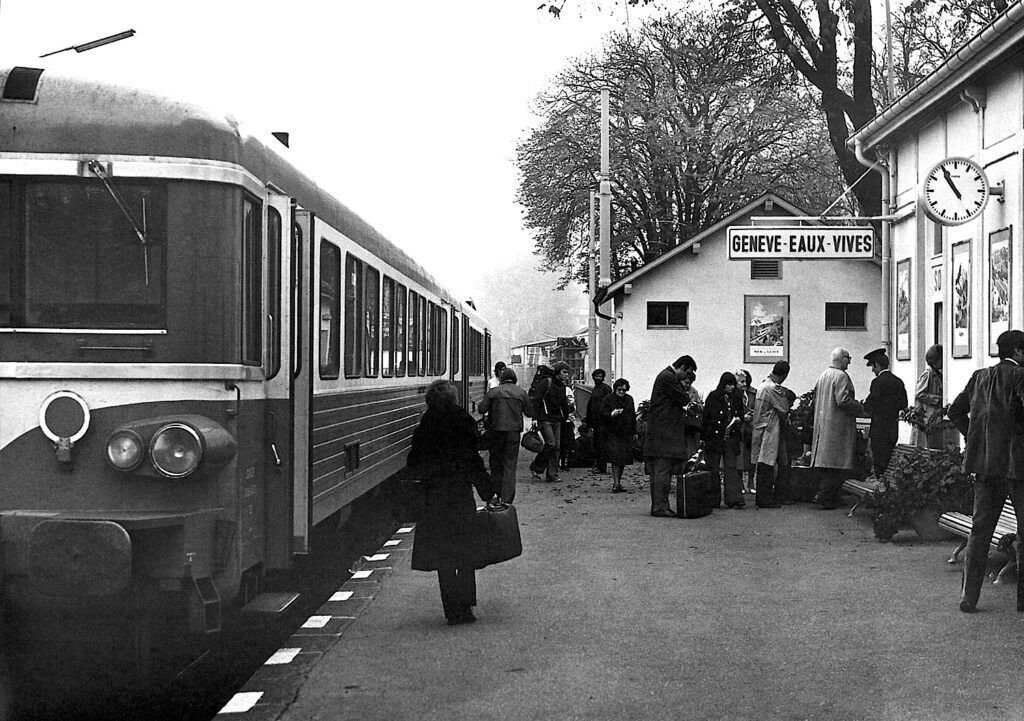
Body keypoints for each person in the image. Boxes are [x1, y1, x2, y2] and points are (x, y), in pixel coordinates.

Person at [407, 380, 497, 626]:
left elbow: (414, 462)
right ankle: (466, 607)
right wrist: (488, 492)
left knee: (443, 557)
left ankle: (451, 610)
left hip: (434, 499)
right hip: (459, 497)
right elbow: (473, 461)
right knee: (464, 553)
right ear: (454, 398)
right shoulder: (463, 421)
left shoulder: (425, 425)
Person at [947, 329, 1024, 613]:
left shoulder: (979, 376)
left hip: (984, 465)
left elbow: (955, 411)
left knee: (980, 530)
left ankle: (969, 596)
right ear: (1017, 351)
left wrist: (974, 437)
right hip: (1017, 466)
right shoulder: (1020, 377)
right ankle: (1022, 600)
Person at [809, 347, 866, 509]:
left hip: (824, 425)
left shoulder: (824, 375)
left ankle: (829, 496)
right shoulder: (841, 376)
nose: (850, 361)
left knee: (828, 465)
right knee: (837, 465)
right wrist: (859, 408)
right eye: (848, 358)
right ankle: (825, 496)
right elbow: (842, 400)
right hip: (837, 426)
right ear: (841, 359)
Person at [643, 355, 698, 517]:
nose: (687, 377)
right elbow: (683, 398)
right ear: (682, 367)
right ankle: (660, 507)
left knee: (660, 471)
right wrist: (685, 392)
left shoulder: (665, 376)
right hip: (664, 434)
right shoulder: (668, 377)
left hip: (660, 433)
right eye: (687, 373)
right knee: (663, 471)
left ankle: (660, 505)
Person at [478, 367, 532, 503]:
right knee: (509, 465)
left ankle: (496, 494)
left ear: (501, 380)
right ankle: (507, 499)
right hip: (513, 434)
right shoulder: (521, 393)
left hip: (495, 432)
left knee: (496, 464)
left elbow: (481, 409)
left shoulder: (493, 392)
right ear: (515, 379)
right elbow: (529, 412)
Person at [751, 361, 794, 509]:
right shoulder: (773, 388)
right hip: (770, 429)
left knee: (764, 463)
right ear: (784, 375)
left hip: (761, 427)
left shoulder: (763, 385)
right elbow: (784, 408)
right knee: (767, 464)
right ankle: (765, 499)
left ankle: (765, 498)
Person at [862, 348, 908, 478]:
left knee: (879, 462)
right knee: (888, 460)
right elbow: (903, 404)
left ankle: (880, 487)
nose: (872, 370)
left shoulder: (877, 382)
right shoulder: (898, 381)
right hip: (892, 428)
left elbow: (870, 405)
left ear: (877, 364)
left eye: (872, 366)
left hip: (879, 428)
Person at [702, 372, 744, 509]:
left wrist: (738, 420)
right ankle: (713, 499)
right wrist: (705, 437)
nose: (731, 387)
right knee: (713, 467)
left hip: (731, 437)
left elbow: (740, 414)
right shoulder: (714, 397)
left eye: (733, 384)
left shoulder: (736, 397)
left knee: (731, 467)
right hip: (714, 437)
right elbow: (707, 418)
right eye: (728, 384)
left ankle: (733, 498)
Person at [529, 361, 574, 482]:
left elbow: (563, 402)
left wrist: (567, 415)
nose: (566, 375)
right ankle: (536, 467)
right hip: (545, 419)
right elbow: (537, 400)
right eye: (564, 372)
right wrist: (534, 418)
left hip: (556, 419)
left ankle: (552, 474)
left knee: (556, 447)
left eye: (567, 373)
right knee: (551, 444)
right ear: (558, 372)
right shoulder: (546, 382)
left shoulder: (562, 386)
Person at [600, 378, 636, 493]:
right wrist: (611, 414)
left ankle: (618, 482)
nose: (622, 392)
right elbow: (601, 414)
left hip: (625, 433)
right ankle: (616, 483)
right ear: (615, 389)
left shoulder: (629, 400)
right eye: (619, 390)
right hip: (612, 432)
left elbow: (632, 417)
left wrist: (634, 432)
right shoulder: (608, 399)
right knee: (615, 457)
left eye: (624, 390)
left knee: (623, 459)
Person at [911, 344, 944, 449]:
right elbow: (920, 393)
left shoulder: (938, 374)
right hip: (926, 416)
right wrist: (936, 399)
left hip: (934, 416)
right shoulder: (928, 374)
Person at [734, 369, 757, 495]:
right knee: (740, 457)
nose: (744, 383)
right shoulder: (733, 394)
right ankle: (740, 483)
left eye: (745, 380)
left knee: (752, 457)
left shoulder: (753, 393)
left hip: (751, 429)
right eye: (741, 381)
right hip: (739, 428)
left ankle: (751, 482)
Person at [587, 369, 612, 474]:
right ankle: (598, 465)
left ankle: (602, 467)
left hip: (603, 421)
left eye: (600, 376)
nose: (598, 378)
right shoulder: (596, 389)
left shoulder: (606, 389)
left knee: (601, 444)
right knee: (597, 444)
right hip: (596, 421)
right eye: (596, 376)